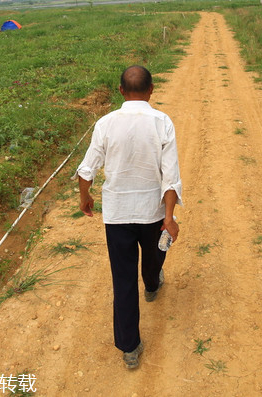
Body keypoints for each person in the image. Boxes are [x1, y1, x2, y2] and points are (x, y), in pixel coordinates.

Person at [75, 65, 182, 369]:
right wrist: (170, 217)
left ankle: (129, 348)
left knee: (122, 280)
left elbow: (87, 170)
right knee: (154, 255)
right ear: (151, 91)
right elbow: (170, 176)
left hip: (117, 214)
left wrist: (86, 197)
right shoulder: (163, 122)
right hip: (152, 211)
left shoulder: (105, 124)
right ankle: (151, 284)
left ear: (120, 91)